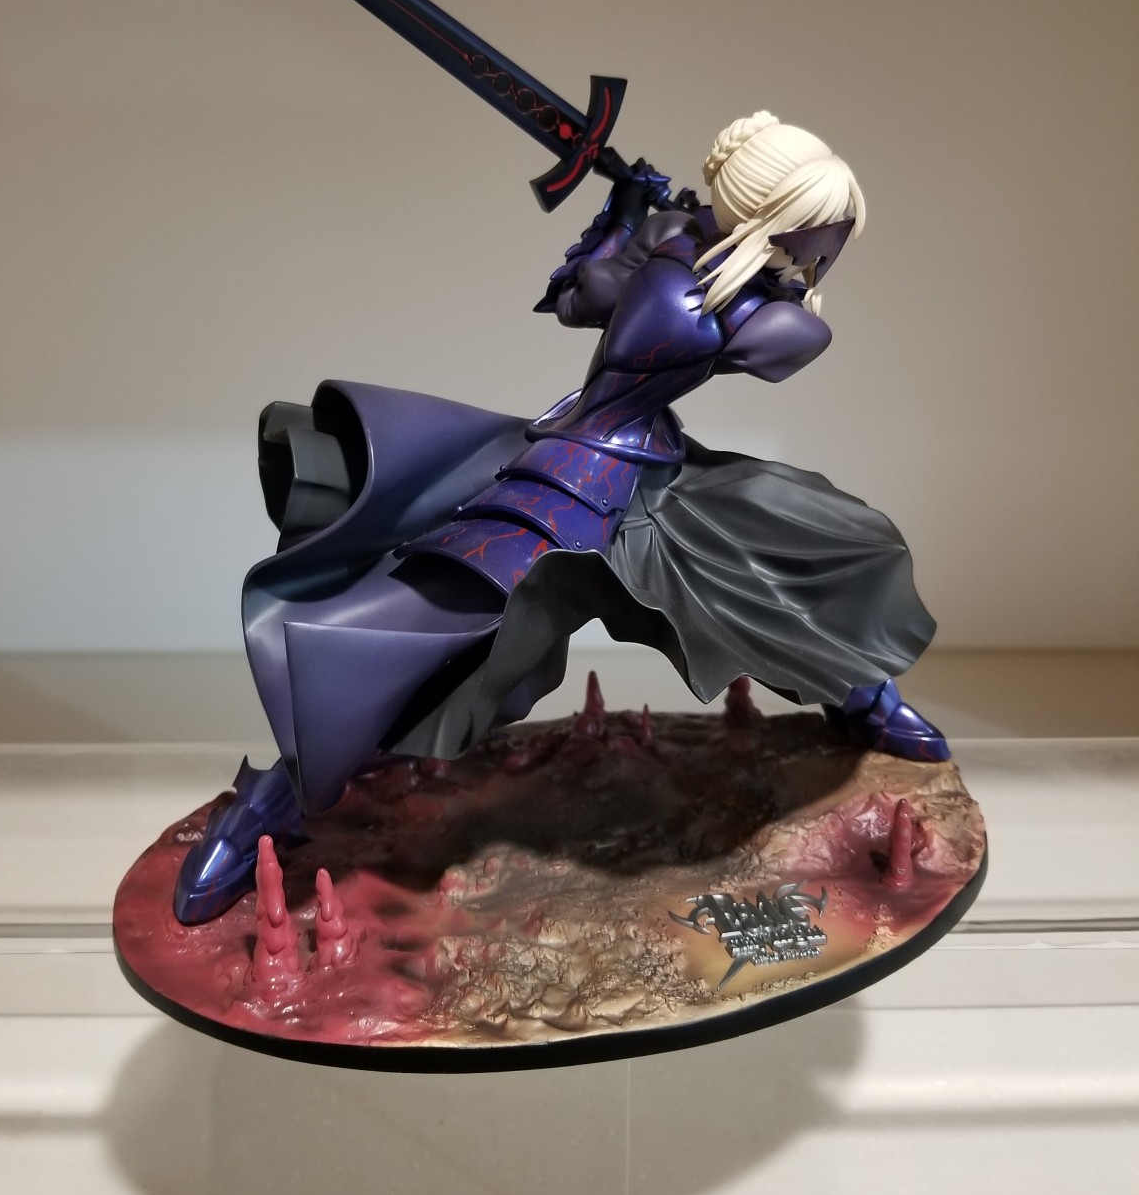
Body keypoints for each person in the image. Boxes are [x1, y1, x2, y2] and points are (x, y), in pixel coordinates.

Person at [175, 112, 948, 923]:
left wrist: (633, 217)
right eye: (820, 235)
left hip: (652, 476)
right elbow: (776, 335)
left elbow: (580, 295)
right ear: (774, 218)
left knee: (799, 546)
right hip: (568, 486)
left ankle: (863, 695)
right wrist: (664, 235)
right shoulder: (697, 288)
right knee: (418, 636)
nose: (826, 254)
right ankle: (266, 806)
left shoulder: (678, 249)